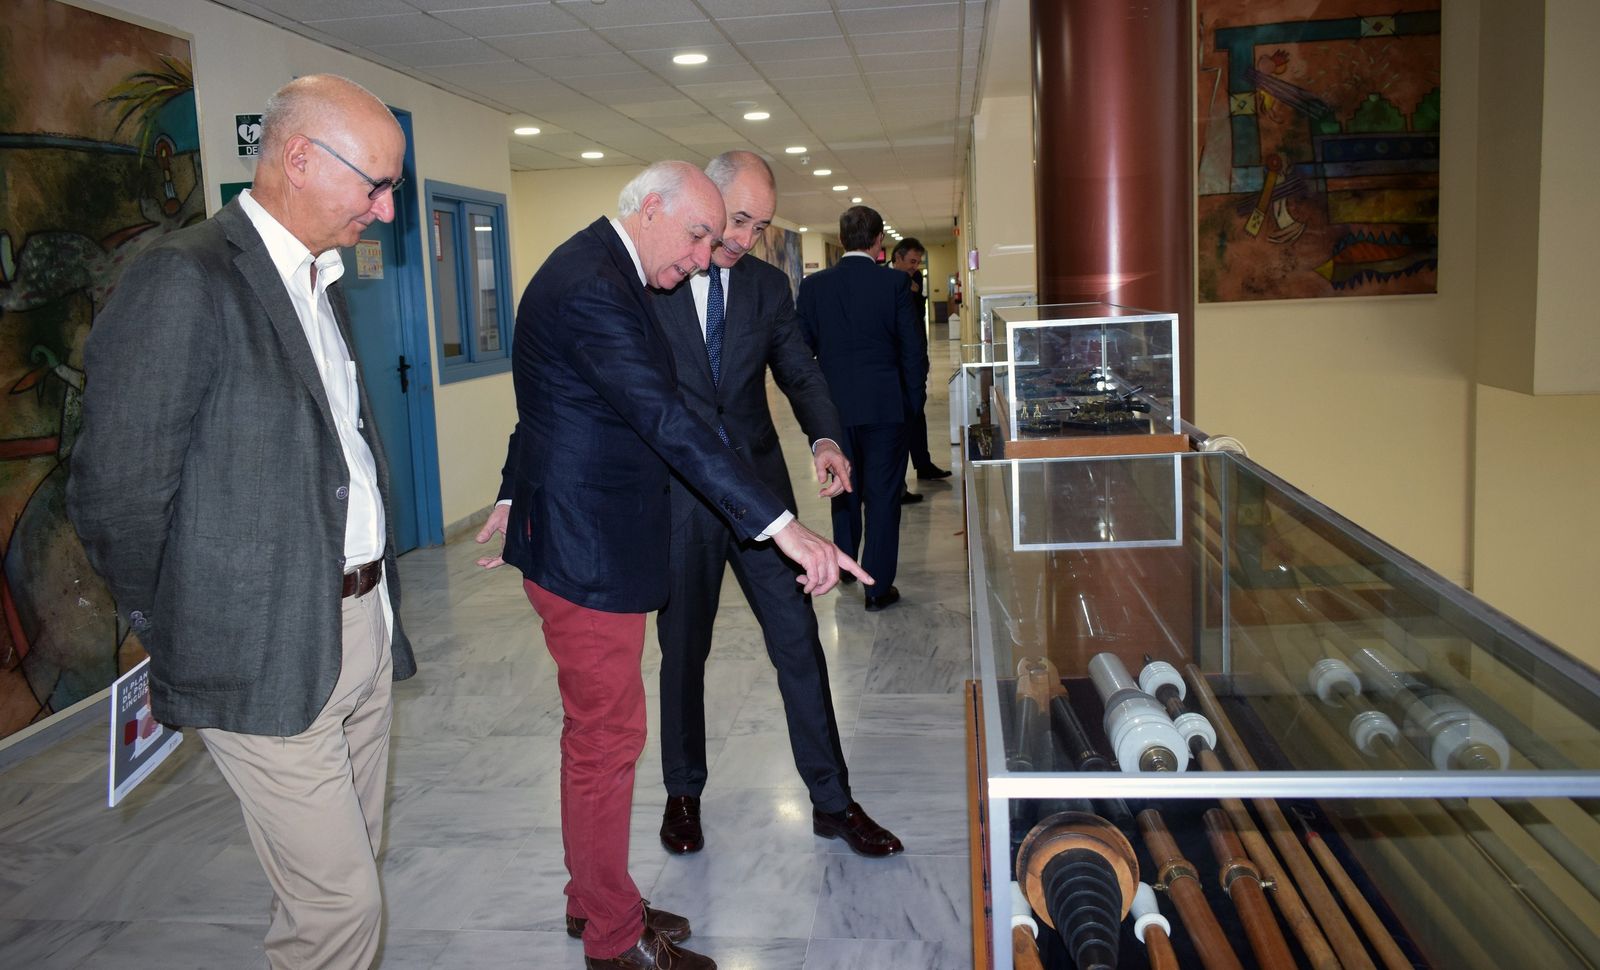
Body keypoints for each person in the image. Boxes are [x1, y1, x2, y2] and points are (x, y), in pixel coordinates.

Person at [474, 160, 869, 970]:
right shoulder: (598, 285)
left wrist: (520, 485)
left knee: (599, 736)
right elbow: (662, 417)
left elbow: (555, 400)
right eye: (698, 234)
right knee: (607, 738)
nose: (704, 255)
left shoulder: (607, 268)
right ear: (650, 208)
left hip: (594, 528)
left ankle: (595, 899)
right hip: (591, 543)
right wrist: (783, 526)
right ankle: (614, 939)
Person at [67, 75, 416, 970]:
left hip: (361, 625)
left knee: (347, 866)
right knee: (339, 902)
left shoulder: (320, 279)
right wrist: (183, 626)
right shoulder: (184, 277)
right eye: (375, 185)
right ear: (298, 158)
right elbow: (116, 491)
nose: (384, 211)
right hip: (259, 642)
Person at [648, 151, 903, 861]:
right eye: (737, 220)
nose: (745, 239)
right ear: (705, 200)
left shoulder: (765, 286)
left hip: (763, 504)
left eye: (759, 227)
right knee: (683, 653)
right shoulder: (658, 279)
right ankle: (683, 793)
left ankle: (833, 801)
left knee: (798, 642)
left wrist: (826, 437)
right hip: (682, 500)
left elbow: (799, 370)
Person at [797, 205, 928, 612]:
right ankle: (877, 587)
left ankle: (846, 565)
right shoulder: (894, 283)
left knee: (845, 490)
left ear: (840, 240)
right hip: (886, 407)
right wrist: (912, 403)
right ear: (879, 242)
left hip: (834, 410)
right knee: (883, 496)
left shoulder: (815, 287)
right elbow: (913, 351)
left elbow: (800, 353)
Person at [890, 237, 951, 483]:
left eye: (918, 262)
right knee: (897, 421)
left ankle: (923, 465)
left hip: (914, 361)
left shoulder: (915, 280)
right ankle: (897, 482)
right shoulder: (882, 280)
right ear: (897, 258)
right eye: (912, 261)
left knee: (917, 413)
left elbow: (917, 318)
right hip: (892, 363)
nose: (915, 267)